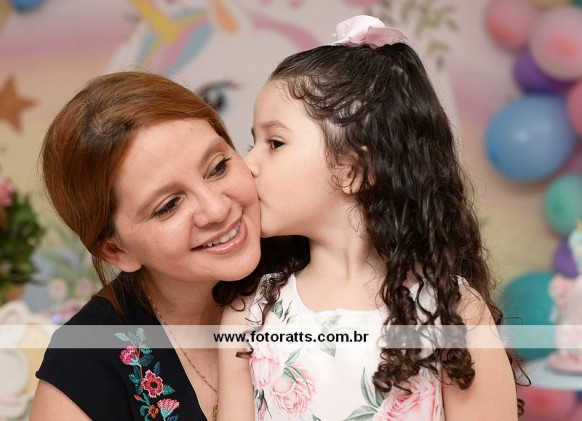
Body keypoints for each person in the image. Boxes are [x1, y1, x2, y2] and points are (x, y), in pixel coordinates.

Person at [217, 15, 525, 421]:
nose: (247, 164)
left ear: (354, 170)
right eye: (252, 143)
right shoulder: (251, 314)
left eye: (274, 143)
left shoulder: (452, 311)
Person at [30, 71, 262, 421]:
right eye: (169, 206)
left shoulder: (314, 256)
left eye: (218, 167)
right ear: (116, 251)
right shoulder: (83, 363)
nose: (217, 209)